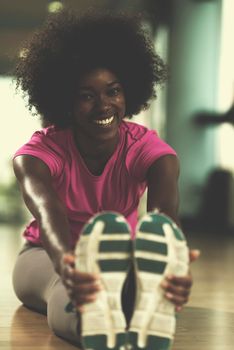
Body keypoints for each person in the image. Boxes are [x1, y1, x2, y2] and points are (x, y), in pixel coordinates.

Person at [12, 9, 199, 350]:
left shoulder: (153, 153)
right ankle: (94, 324)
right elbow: (49, 213)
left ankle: (137, 304)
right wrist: (69, 263)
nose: (103, 105)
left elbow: (162, 219)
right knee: (70, 288)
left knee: (133, 279)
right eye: (87, 95)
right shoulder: (37, 154)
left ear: (128, 93)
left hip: (119, 256)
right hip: (46, 255)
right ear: (65, 100)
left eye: (113, 91)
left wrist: (172, 263)